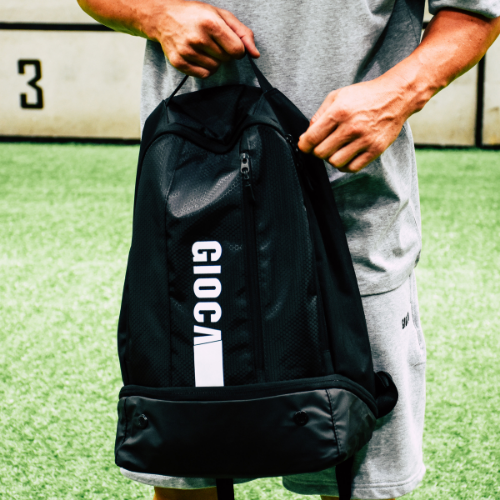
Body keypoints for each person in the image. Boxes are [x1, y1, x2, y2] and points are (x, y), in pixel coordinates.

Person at [77, 0, 500, 499]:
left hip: (349, 213)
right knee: (187, 471)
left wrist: (397, 94)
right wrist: (155, 13)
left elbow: (476, 11)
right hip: (191, 205)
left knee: (358, 485)